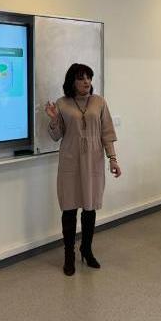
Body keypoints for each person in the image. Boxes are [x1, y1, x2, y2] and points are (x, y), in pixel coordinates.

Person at [45, 63, 121, 276]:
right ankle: (68, 255)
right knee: (69, 209)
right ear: (72, 82)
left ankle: (86, 250)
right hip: (70, 161)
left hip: (93, 161)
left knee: (90, 208)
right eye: (81, 78)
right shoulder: (62, 103)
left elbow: (107, 133)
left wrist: (113, 159)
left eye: (89, 77)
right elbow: (55, 136)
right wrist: (53, 119)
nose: (86, 81)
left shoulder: (99, 102)